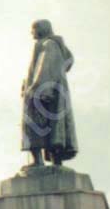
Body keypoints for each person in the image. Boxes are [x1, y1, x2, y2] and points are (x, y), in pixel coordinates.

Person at [21, 19, 77, 168]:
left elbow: (45, 67)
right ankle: (55, 162)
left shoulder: (48, 45)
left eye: (33, 29)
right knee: (52, 127)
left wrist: (35, 88)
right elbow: (66, 62)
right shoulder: (50, 45)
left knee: (37, 124)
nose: (31, 32)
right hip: (54, 90)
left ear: (41, 29)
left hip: (46, 91)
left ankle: (38, 161)